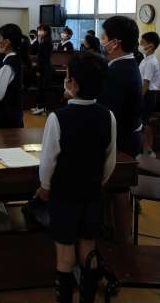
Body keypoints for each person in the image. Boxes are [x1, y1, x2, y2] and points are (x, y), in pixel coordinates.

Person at [36, 52, 116, 303]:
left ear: (74, 85)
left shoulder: (57, 117)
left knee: (65, 252)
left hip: (63, 195)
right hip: (92, 194)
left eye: (68, 77)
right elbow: (109, 160)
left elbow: (48, 161)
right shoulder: (108, 116)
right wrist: (97, 183)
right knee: (88, 248)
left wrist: (45, 186)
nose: (66, 81)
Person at [98, 16, 143, 157]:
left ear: (115, 43)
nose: (101, 42)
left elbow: (108, 113)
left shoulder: (117, 72)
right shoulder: (128, 64)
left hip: (121, 143)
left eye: (104, 38)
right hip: (128, 137)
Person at [139, 32, 160, 157]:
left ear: (150, 46)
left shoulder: (151, 62)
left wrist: (139, 98)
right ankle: (145, 148)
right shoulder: (146, 59)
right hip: (146, 94)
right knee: (143, 122)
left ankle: (149, 149)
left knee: (145, 123)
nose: (140, 45)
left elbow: (146, 83)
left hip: (148, 95)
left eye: (142, 43)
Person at [32, 24, 53, 115]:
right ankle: (39, 106)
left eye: (41, 30)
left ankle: (41, 107)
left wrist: (38, 69)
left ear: (46, 32)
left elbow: (42, 58)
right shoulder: (43, 41)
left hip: (44, 67)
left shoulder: (45, 43)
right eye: (39, 30)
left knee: (42, 88)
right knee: (40, 87)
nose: (39, 32)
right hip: (44, 66)